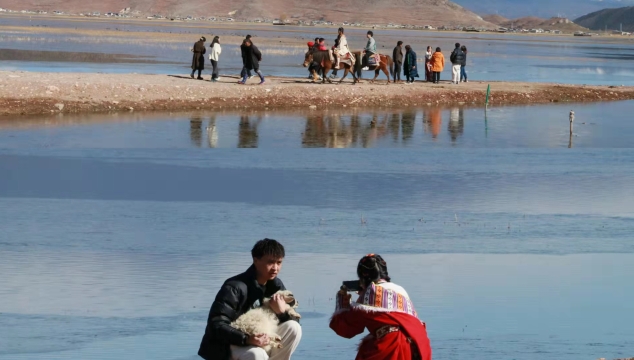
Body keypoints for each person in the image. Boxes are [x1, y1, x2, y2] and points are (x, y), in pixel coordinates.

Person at [198, 239, 302, 360]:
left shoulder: (275, 285)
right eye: (270, 262)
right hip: (228, 345)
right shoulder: (234, 287)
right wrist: (247, 338)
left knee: (294, 328)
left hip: (261, 336)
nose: (275, 268)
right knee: (257, 354)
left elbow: (295, 318)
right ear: (255, 260)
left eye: (279, 263)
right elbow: (216, 324)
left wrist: (281, 313)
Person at [330, 254, 432, 360]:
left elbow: (347, 329)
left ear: (364, 275)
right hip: (416, 344)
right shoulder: (400, 290)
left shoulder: (371, 291)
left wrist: (342, 303)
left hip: (392, 344)